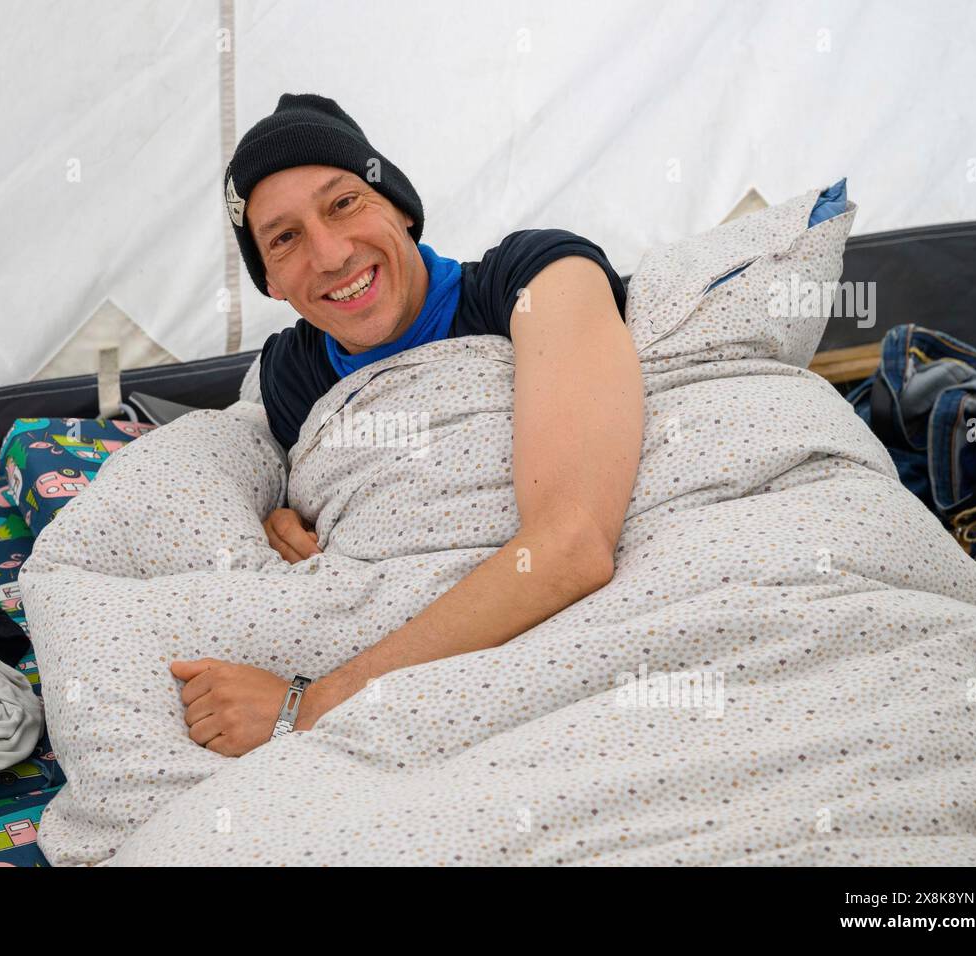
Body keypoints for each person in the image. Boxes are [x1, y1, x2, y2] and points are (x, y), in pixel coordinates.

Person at [171, 93, 644, 757]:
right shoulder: (292, 375)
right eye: (285, 239)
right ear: (271, 282)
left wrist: (308, 705)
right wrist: (277, 512)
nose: (331, 254)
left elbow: (571, 546)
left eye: (344, 203)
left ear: (401, 207)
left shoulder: (537, 274)